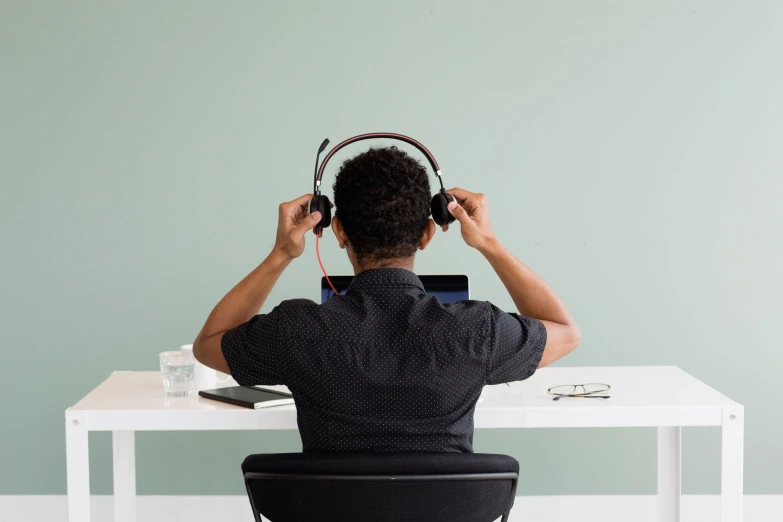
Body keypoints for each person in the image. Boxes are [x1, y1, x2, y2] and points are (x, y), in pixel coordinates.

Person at [193, 147, 580, 453]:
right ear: (428, 234)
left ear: (338, 230)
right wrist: (489, 244)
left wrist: (281, 253)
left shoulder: (296, 330)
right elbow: (565, 332)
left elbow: (208, 344)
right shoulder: (478, 330)